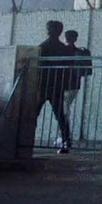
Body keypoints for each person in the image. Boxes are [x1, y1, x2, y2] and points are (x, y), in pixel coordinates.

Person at [37, 20, 75, 154]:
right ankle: (66, 142)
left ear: (48, 31)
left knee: (33, 115)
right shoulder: (63, 49)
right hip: (57, 86)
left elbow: (38, 66)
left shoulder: (42, 47)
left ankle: (26, 142)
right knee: (60, 116)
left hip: (42, 85)